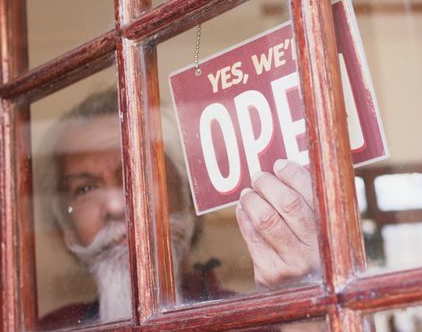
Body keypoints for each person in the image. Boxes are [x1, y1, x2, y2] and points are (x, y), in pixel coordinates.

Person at [37, 88, 320, 328]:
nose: (113, 206)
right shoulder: (50, 328)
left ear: (187, 194)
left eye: (135, 173)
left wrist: (307, 315)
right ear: (67, 227)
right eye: (85, 189)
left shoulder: (256, 324)